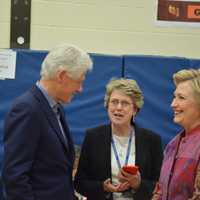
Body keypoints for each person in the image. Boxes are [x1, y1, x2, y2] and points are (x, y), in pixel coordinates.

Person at [2, 44, 93, 200]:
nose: (80, 89)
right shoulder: (27, 109)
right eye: (79, 81)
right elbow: (15, 177)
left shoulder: (56, 108)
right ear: (62, 76)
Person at [74, 78, 163, 200]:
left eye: (125, 103)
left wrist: (138, 184)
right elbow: (80, 183)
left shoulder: (152, 140)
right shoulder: (93, 137)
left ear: (135, 110)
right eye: (114, 102)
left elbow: (161, 186)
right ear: (107, 105)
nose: (118, 107)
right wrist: (103, 187)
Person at [152, 68, 200, 200]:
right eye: (174, 96)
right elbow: (160, 191)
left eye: (181, 98)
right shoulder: (172, 145)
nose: (173, 104)